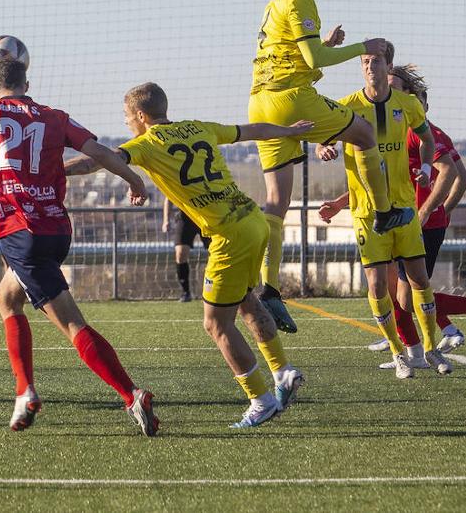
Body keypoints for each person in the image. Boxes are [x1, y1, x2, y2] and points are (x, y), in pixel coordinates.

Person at [68, 82, 309, 429]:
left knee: (216, 324)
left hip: (229, 234)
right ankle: (283, 372)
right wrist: (288, 131)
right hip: (253, 220)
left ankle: (261, 399)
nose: (126, 124)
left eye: (126, 117)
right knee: (246, 301)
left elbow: (100, 160)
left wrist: (52, 170)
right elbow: (251, 130)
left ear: (140, 116)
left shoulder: (148, 143)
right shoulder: (199, 127)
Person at [0, 58, 159, 436]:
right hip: (56, 229)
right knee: (6, 299)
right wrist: (134, 179)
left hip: (20, 233)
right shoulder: (54, 116)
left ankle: (131, 394)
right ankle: (24, 392)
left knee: (72, 323)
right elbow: (101, 152)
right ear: (26, 81)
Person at [248, 0, 409, 334]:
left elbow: (305, 55)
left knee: (276, 201)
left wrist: (327, 45)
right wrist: (363, 47)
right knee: (365, 133)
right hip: (292, 99)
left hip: (260, 103)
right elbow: (313, 56)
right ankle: (385, 211)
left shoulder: (276, 1)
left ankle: (268, 287)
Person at [338, 63, 466, 358]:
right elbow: (380, 176)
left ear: (410, 98)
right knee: (399, 291)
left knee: (407, 295)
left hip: (416, 221)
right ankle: (413, 346)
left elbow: (452, 174)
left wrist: (431, 212)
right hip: (396, 215)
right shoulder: (395, 128)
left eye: (396, 88)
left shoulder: (421, 132)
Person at [314, 53, 450, 378]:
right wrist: (324, 150)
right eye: (364, 63)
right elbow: (321, 142)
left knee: (418, 279)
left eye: (375, 62)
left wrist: (428, 169)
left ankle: (431, 348)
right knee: (377, 287)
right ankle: (398, 353)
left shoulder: (408, 104)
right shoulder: (346, 107)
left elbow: (427, 139)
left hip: (404, 208)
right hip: (367, 214)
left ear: (388, 67)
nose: (369, 68)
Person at [162, 200, 210, 302]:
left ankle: (215, 291)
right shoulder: (176, 183)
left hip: (205, 216)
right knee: (180, 253)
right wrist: (166, 220)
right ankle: (186, 293)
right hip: (185, 218)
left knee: (216, 252)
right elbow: (168, 199)